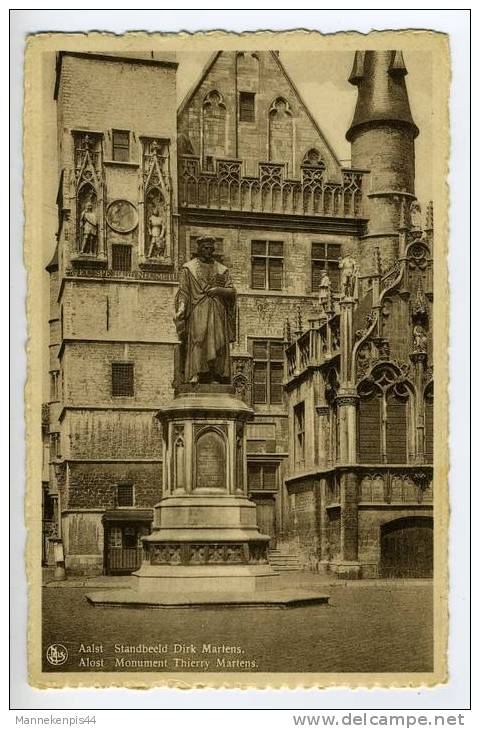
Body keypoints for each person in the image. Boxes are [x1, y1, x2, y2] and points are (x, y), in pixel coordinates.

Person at [174, 236, 236, 384]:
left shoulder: (222, 269)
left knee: (218, 342)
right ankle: (196, 373)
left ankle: (214, 375)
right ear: (199, 249)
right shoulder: (188, 269)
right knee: (198, 340)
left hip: (217, 310)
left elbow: (232, 291)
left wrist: (219, 290)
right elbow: (183, 291)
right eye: (205, 248)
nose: (209, 251)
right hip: (198, 310)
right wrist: (182, 307)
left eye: (211, 249)